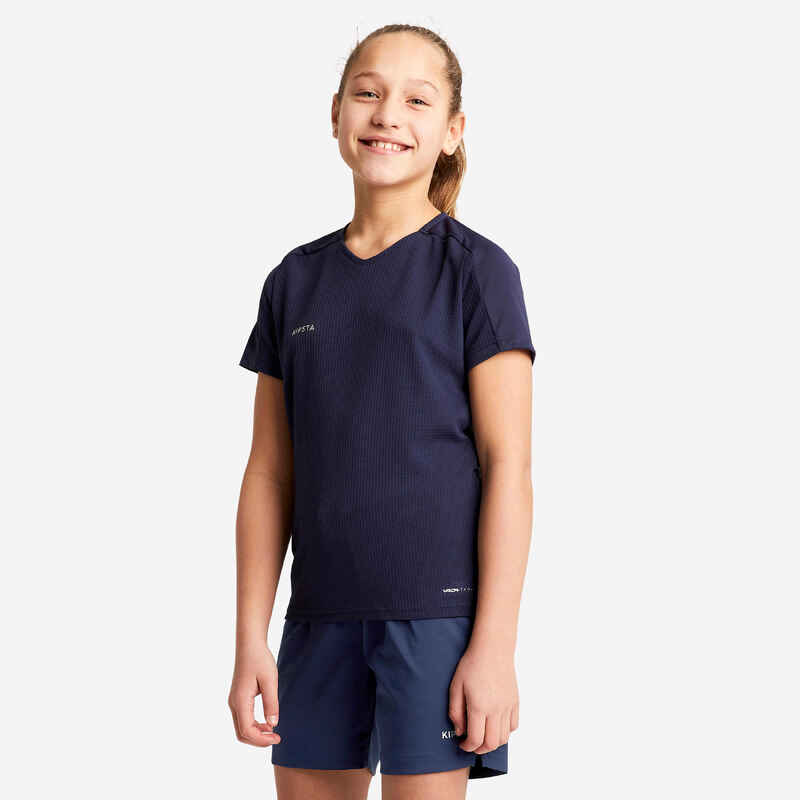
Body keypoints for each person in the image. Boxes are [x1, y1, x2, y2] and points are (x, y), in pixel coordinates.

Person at [229, 23, 536, 800]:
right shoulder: (293, 281)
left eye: (416, 100)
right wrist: (251, 638)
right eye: (367, 93)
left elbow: (509, 467)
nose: (387, 114)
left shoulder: (478, 273)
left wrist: (494, 646)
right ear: (336, 113)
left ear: (452, 131)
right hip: (317, 621)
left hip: (435, 625)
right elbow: (269, 474)